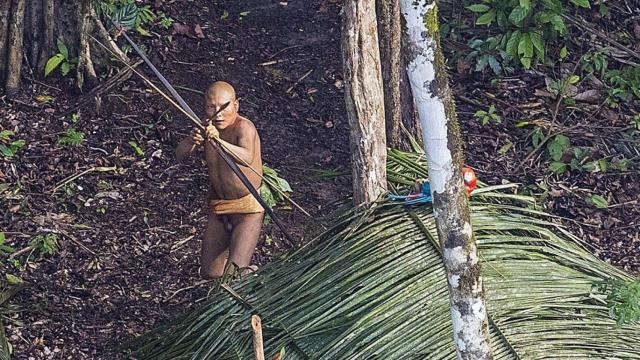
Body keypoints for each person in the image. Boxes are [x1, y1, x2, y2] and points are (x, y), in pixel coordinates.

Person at [176, 81, 264, 279]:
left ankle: (248, 279)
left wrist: (218, 141)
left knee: (234, 276)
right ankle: (247, 278)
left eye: (224, 106)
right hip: (220, 207)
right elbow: (179, 155)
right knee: (210, 272)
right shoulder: (207, 127)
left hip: (247, 209)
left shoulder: (244, 127)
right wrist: (192, 141)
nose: (218, 113)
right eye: (211, 107)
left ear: (236, 105)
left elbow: (246, 157)